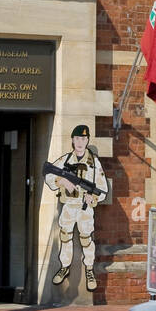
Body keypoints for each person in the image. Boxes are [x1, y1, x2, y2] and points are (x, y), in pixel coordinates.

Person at [45, 124, 108, 293]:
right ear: (72, 140)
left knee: (86, 239)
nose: (80, 142)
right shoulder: (66, 160)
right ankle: (64, 267)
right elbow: (49, 174)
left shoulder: (94, 163)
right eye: (77, 138)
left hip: (85, 208)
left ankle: (89, 269)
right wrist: (61, 181)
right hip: (68, 206)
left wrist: (93, 197)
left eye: (84, 139)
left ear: (87, 141)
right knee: (65, 236)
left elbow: (103, 189)